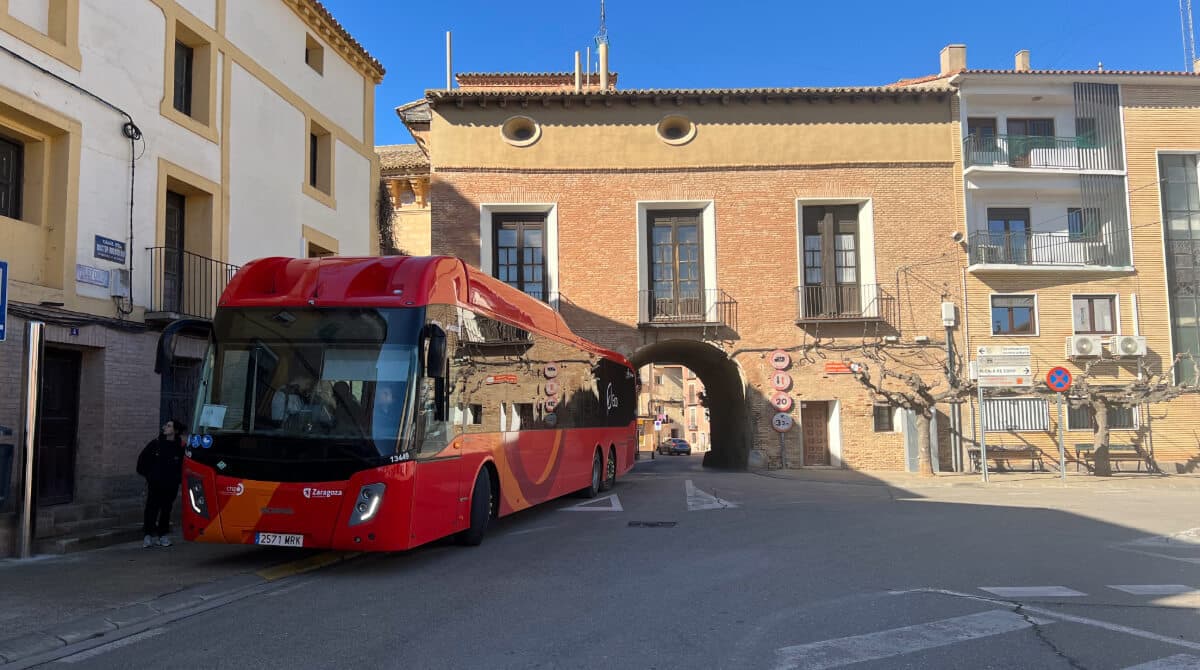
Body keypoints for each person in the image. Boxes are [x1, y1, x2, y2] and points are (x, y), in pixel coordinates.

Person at [136, 419, 185, 548]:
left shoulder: (179, 447)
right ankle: (148, 535)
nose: (165, 428)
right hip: (155, 484)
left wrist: (177, 479)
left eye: (169, 426)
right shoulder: (156, 444)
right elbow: (142, 460)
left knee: (166, 510)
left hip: (170, 485)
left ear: (175, 431)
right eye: (166, 425)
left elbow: (183, 465)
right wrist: (150, 476)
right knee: (151, 508)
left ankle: (162, 535)